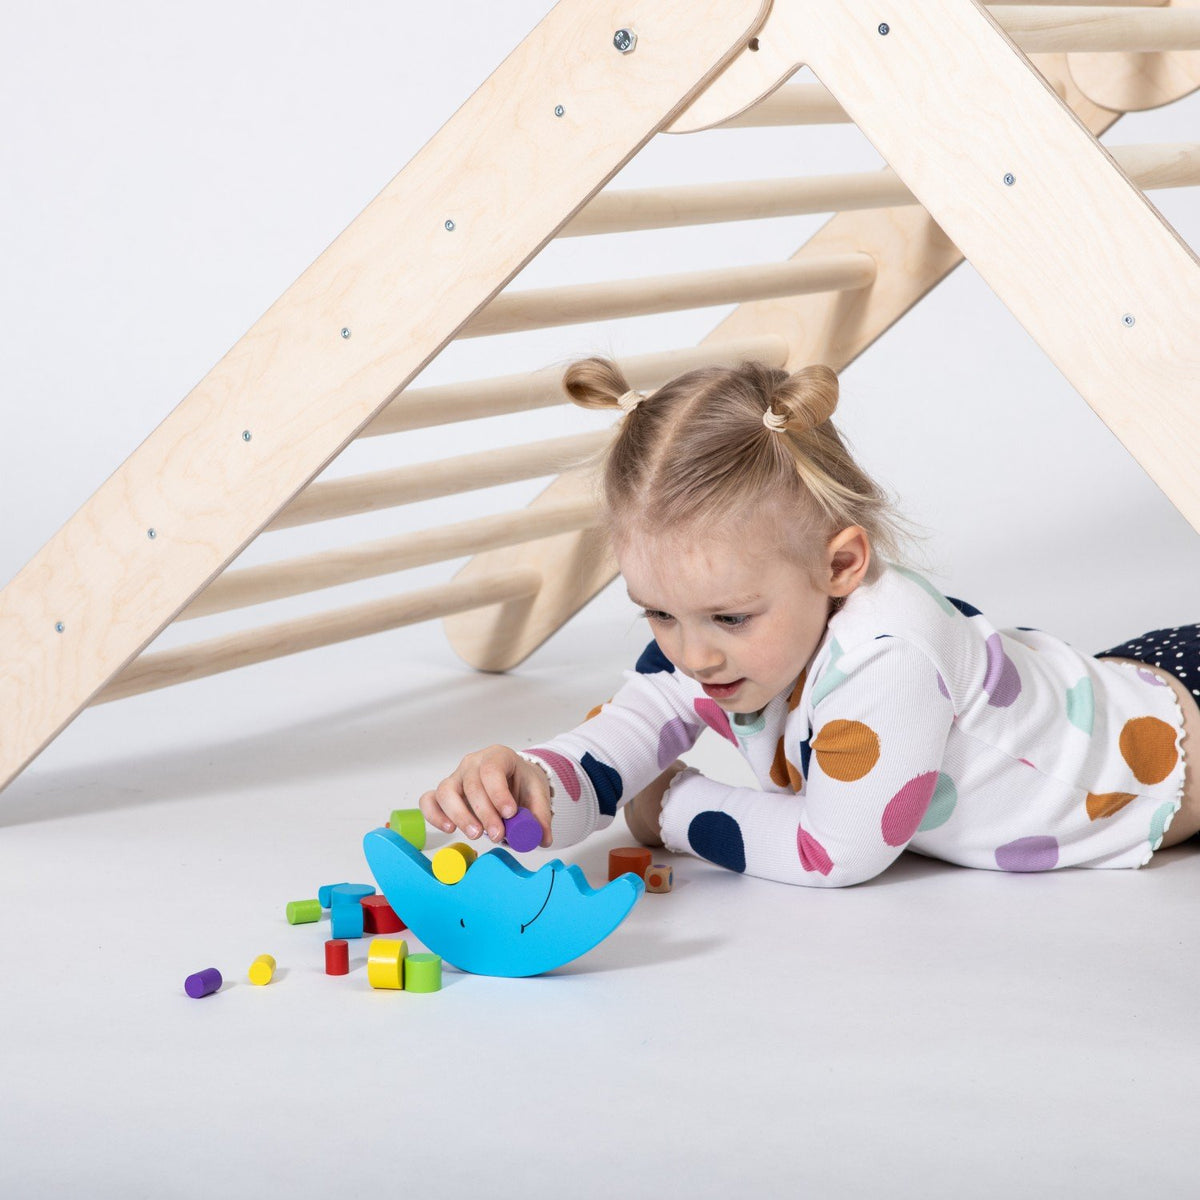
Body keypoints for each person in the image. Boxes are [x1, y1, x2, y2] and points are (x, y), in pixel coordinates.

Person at [418, 358, 1198, 885]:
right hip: (1112, 683)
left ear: (840, 567)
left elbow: (838, 850)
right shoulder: (713, 646)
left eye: (729, 616)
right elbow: (624, 741)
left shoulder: (888, 660)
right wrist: (533, 783)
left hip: (1173, 757)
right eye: (657, 611)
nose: (692, 654)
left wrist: (672, 809)